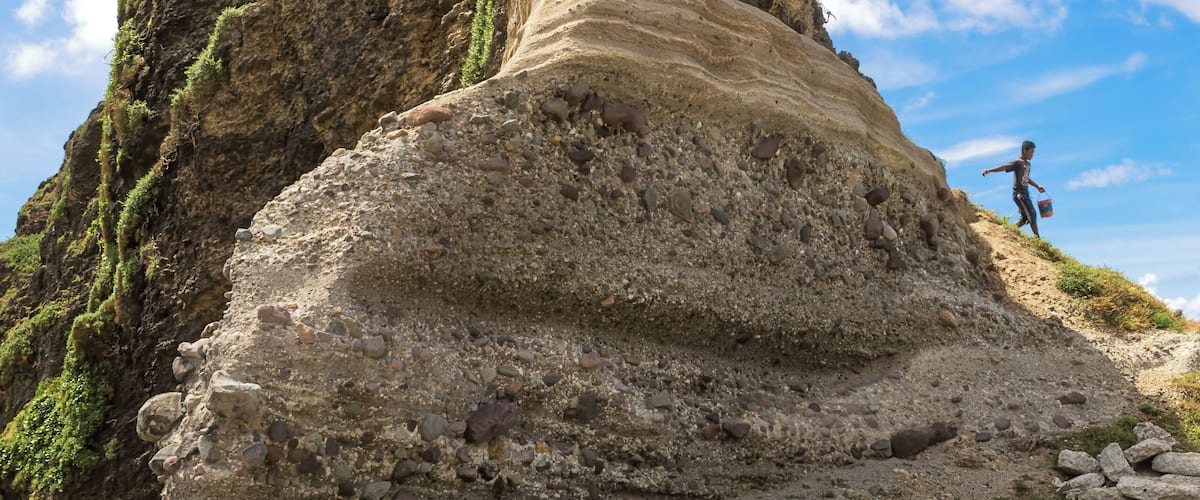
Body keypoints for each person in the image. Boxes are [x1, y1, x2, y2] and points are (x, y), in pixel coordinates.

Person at [981, 140, 1046, 238]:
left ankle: (1007, 231)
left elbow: (1026, 178)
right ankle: (1038, 239)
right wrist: (989, 170)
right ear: (1025, 150)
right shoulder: (1017, 162)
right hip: (1019, 194)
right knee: (1032, 213)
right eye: (1031, 152)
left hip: (1026, 193)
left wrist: (1037, 186)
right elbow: (1004, 167)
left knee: (1025, 219)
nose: (1032, 155)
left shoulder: (1028, 164)